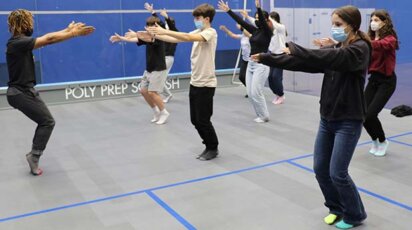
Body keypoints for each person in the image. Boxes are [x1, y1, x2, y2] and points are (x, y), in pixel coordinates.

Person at [252, 5, 369, 229]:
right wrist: (269, 58)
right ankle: (336, 208)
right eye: (333, 24)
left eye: (338, 25)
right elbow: (305, 63)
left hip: (348, 119)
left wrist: (294, 47)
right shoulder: (337, 48)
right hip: (327, 118)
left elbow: (323, 57)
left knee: (338, 173)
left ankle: (355, 214)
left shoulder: (359, 50)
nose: (334, 29)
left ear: (352, 26)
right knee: (320, 169)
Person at [6, 9, 95, 176]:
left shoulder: (20, 41)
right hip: (20, 93)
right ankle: (34, 156)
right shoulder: (17, 43)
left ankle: (34, 155)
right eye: (30, 22)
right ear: (24, 24)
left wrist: (67, 30)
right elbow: (49, 39)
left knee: (46, 121)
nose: (32, 25)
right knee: (47, 122)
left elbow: (49, 36)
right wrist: (73, 34)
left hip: (24, 91)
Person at [146, 3, 219, 161]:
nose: (195, 21)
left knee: (203, 119)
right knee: (195, 119)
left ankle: (213, 147)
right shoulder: (199, 30)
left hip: (206, 84)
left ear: (207, 19)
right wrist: (155, 34)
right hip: (195, 82)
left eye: (198, 18)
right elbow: (174, 37)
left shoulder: (210, 33)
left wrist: (163, 30)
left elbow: (186, 37)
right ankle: (207, 143)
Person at [218, 0, 273, 123]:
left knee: (256, 92)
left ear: (266, 19)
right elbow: (241, 21)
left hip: (262, 65)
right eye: (256, 18)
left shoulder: (268, 32)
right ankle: (260, 114)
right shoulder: (255, 31)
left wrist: (258, 7)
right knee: (250, 92)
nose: (258, 19)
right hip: (251, 64)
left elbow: (263, 23)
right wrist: (229, 11)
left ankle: (265, 116)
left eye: (260, 18)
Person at [110, 16, 170, 125]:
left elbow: (149, 38)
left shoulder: (159, 37)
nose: (147, 28)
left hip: (158, 69)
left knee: (152, 92)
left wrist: (137, 34)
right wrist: (122, 38)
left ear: (156, 27)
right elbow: (138, 39)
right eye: (147, 25)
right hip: (149, 69)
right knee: (143, 91)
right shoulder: (147, 36)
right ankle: (156, 111)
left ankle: (164, 112)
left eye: (150, 26)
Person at [363, 9, 399, 157]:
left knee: (371, 114)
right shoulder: (369, 40)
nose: (373, 22)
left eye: (377, 20)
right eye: (372, 19)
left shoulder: (390, 39)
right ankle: (375, 140)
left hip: (387, 81)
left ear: (384, 22)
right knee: (362, 114)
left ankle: (383, 141)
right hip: (374, 80)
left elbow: (380, 45)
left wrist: (363, 42)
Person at [241, 9, 287, 105]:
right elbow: (255, 21)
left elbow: (272, 23)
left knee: (276, 77)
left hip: (281, 55)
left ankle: (281, 95)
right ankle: (277, 94)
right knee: (270, 78)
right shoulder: (267, 31)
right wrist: (247, 16)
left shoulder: (281, 28)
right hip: (271, 55)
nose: (267, 23)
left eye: (269, 20)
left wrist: (267, 17)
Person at [144, 3, 178, 103]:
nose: (163, 27)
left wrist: (167, 17)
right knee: (158, 77)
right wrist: (153, 12)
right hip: (162, 58)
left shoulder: (175, 32)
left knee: (158, 77)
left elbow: (170, 27)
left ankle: (166, 94)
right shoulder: (163, 32)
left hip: (167, 58)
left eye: (166, 25)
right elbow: (160, 24)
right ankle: (164, 93)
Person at [219, 24, 251, 97]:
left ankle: (252, 91)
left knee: (250, 77)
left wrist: (241, 27)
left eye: (244, 29)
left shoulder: (251, 37)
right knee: (241, 77)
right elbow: (233, 35)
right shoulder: (243, 36)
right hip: (245, 59)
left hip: (251, 61)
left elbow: (248, 34)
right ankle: (250, 89)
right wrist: (225, 29)